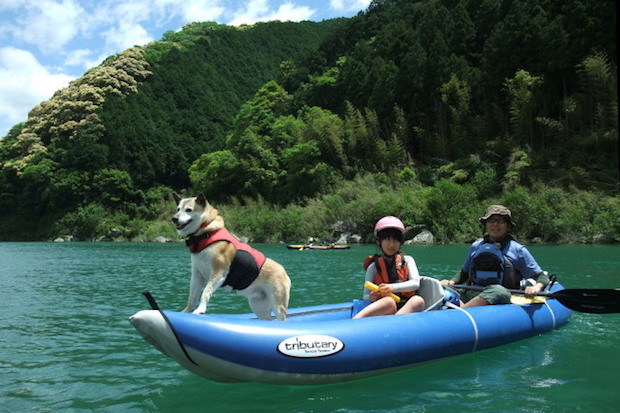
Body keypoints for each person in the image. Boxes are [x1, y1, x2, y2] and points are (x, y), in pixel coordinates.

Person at [441, 205, 549, 307]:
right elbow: (463, 274)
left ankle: (462, 312)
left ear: (508, 226)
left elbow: (541, 276)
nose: (495, 225)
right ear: (486, 224)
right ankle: (463, 311)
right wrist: (451, 282)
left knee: (498, 290)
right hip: (473, 292)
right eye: (491, 221)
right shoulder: (476, 246)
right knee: (441, 287)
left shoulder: (518, 250)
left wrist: (536, 287)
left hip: (502, 294)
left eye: (500, 221)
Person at [353, 216, 425, 318]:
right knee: (389, 301)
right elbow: (365, 296)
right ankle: (355, 321)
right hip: (385, 307)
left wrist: (392, 288)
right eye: (387, 239)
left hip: (406, 307)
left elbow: (415, 283)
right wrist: (372, 297)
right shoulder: (373, 267)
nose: (392, 244)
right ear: (379, 241)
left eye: (396, 240)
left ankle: (394, 323)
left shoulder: (408, 260)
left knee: (418, 300)